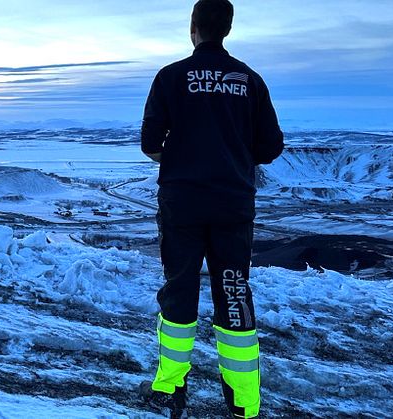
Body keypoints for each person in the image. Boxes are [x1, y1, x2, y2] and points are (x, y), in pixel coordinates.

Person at [138, 0, 284, 418]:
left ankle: (170, 389)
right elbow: (271, 146)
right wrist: (234, 156)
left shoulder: (170, 77)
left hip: (181, 203)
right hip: (232, 204)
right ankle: (244, 403)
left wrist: (183, 158)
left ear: (193, 27)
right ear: (228, 28)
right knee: (234, 291)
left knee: (180, 288)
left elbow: (150, 143)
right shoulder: (250, 80)